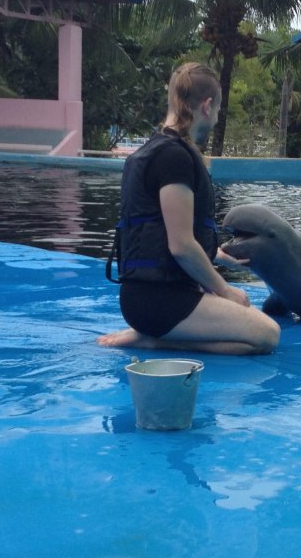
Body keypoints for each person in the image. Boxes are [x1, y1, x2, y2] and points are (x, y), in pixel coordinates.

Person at [98, 62, 280, 356]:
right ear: (207, 106)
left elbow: (169, 233)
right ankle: (155, 340)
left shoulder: (156, 151)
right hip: (159, 301)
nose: (217, 116)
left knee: (248, 313)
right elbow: (181, 245)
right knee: (267, 335)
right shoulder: (174, 158)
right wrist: (225, 290)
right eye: (219, 110)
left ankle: (155, 332)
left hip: (149, 296)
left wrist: (226, 259)